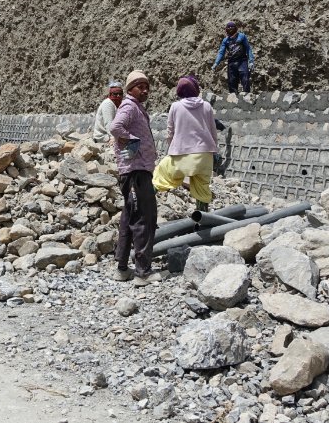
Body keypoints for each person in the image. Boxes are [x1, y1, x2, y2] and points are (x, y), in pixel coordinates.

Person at [109, 70, 162, 287]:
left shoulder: (136, 108)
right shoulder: (130, 106)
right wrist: (135, 141)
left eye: (146, 86)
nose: (145, 90)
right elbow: (114, 127)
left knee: (129, 218)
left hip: (137, 170)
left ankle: (122, 268)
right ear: (130, 89)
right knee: (144, 218)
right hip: (136, 171)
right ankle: (143, 273)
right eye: (140, 86)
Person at [153, 75, 218, 211]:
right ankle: (201, 221)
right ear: (196, 89)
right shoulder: (206, 106)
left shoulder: (175, 106)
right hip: (204, 155)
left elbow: (170, 132)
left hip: (181, 154)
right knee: (202, 189)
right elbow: (213, 131)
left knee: (161, 175)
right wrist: (214, 150)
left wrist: (172, 148)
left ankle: (141, 207)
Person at [212, 21, 255, 94]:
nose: (230, 28)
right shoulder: (225, 40)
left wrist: (251, 61)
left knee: (245, 79)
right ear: (226, 29)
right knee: (232, 82)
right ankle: (233, 99)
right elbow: (221, 52)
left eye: (232, 26)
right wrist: (216, 63)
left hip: (242, 61)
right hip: (231, 63)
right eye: (228, 27)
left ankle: (247, 97)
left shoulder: (242, 36)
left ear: (236, 28)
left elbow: (248, 48)